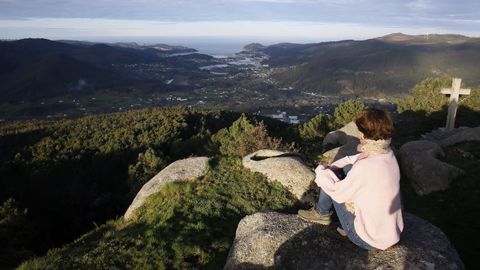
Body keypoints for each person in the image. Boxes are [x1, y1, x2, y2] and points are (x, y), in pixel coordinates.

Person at [298, 108, 403, 250]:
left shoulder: (366, 166)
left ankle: (322, 214)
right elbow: (358, 161)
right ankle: (325, 213)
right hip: (392, 234)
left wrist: (322, 172)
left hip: (369, 240)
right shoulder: (388, 155)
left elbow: (338, 193)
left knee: (332, 179)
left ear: (363, 135)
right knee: (346, 170)